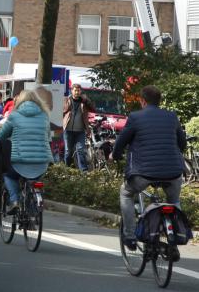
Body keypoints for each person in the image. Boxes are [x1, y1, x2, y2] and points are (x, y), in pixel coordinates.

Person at [112, 85, 186, 251]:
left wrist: (115, 156)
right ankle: (177, 235)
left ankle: (130, 236)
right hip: (173, 172)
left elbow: (121, 142)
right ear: (159, 101)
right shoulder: (171, 116)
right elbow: (182, 144)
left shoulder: (135, 117)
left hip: (142, 172)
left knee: (126, 193)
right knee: (173, 201)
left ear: (142, 101)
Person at [0, 90, 53, 212]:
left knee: (8, 175)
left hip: (18, 162)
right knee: (35, 181)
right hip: (41, 163)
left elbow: (1, 136)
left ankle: (14, 200)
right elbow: (48, 136)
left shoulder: (14, 116)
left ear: (19, 101)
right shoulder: (44, 116)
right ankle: (34, 211)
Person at [62, 83, 95, 171]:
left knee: (81, 151)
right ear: (71, 91)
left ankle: (83, 171)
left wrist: (86, 99)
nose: (77, 92)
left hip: (80, 131)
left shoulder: (84, 102)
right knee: (68, 152)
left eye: (79, 90)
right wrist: (67, 103)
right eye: (75, 90)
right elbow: (62, 111)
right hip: (68, 130)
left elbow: (93, 109)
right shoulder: (66, 100)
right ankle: (66, 170)